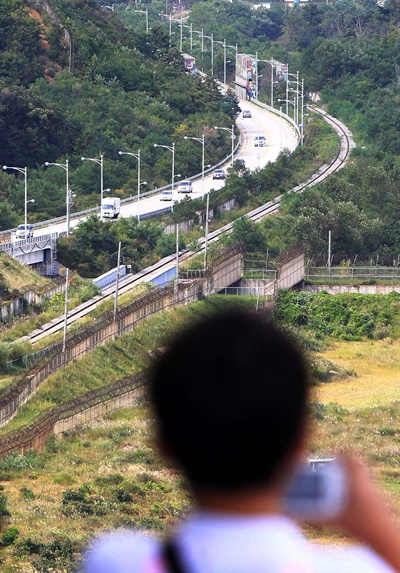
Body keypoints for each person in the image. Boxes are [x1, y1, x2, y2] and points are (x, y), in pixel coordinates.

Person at [84, 310, 400, 573]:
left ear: (162, 444)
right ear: (301, 442)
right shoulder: (356, 569)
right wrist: (374, 522)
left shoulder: (115, 560)